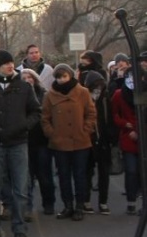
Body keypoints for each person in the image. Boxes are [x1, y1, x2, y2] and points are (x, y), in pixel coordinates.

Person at [0, 49, 41, 237]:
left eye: (11, 62)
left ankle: (19, 229)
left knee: (20, 189)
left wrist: (23, 126)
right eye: (5, 63)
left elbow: (35, 112)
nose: (10, 65)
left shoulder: (24, 87)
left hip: (18, 143)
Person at [41, 64, 96, 221]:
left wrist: (86, 130)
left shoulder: (83, 92)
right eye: (58, 77)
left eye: (64, 76)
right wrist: (51, 134)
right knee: (64, 176)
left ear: (70, 76)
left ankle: (79, 206)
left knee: (80, 175)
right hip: (59, 142)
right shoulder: (50, 95)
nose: (62, 80)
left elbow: (91, 113)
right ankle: (68, 206)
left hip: (80, 140)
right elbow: (45, 118)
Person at [20, 69, 56, 215]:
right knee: (26, 177)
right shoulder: (18, 95)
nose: (27, 79)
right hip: (24, 140)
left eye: (30, 77)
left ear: (35, 79)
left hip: (42, 140)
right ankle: (27, 206)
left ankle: (49, 203)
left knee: (44, 175)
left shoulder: (44, 94)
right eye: (24, 77)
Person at [83, 71, 113, 215]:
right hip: (88, 140)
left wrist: (112, 138)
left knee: (104, 173)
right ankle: (86, 200)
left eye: (100, 85)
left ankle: (103, 201)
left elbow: (111, 119)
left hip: (103, 141)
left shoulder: (106, 99)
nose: (98, 89)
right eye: (95, 85)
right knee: (87, 172)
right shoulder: (83, 99)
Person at [112, 71, 142, 215]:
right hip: (127, 137)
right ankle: (131, 201)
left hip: (143, 136)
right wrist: (125, 124)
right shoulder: (119, 94)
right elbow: (115, 115)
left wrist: (137, 129)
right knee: (131, 170)